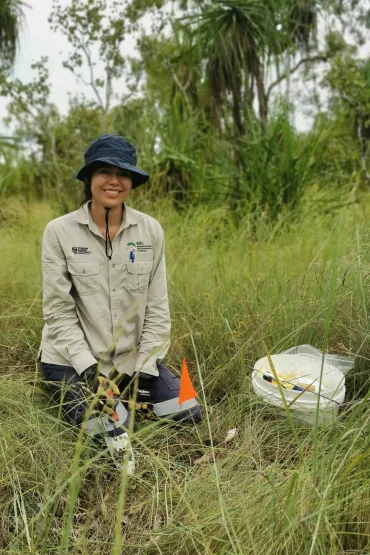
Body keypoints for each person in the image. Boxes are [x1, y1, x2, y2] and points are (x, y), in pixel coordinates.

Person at [38, 135, 201, 474]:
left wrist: (141, 369)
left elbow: (158, 309)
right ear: (88, 178)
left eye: (123, 173)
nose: (114, 180)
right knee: (110, 438)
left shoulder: (150, 231)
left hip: (128, 361)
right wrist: (89, 370)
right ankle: (103, 410)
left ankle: (125, 402)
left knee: (187, 410)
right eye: (104, 171)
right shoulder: (59, 232)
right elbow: (57, 312)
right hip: (72, 362)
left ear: (131, 182)